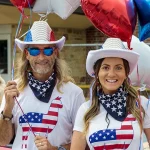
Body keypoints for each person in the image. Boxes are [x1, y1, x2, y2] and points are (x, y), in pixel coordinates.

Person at [0, 21, 85, 150]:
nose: (41, 57)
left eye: (47, 50)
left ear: (55, 53)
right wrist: (7, 109)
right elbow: (3, 141)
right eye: (34, 50)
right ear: (27, 54)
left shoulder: (74, 93)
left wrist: (56, 149)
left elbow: (84, 144)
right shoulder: (13, 90)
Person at [71, 38, 150, 150]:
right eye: (105, 67)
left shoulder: (142, 104)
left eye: (118, 68)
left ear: (126, 73)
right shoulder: (85, 110)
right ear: (97, 72)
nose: (111, 74)